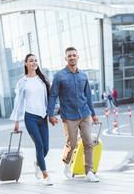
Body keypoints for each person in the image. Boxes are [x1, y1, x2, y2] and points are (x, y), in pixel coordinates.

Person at [47, 47, 99, 183]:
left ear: (78, 57)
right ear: (66, 59)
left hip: (85, 113)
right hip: (68, 115)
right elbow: (53, 95)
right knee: (72, 143)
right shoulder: (59, 76)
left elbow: (88, 96)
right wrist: (50, 114)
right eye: (69, 56)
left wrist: (93, 114)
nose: (72, 58)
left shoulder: (83, 75)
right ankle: (66, 162)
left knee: (88, 142)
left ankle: (89, 172)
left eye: (74, 55)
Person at [10, 54, 53, 186]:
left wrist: (51, 115)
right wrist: (16, 122)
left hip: (43, 117)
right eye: (31, 61)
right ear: (25, 64)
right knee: (39, 145)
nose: (34, 63)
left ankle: (38, 163)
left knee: (46, 148)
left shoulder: (43, 79)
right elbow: (18, 103)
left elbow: (50, 98)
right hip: (30, 117)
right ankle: (46, 175)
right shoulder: (22, 82)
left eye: (35, 60)